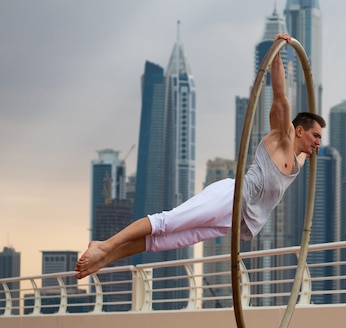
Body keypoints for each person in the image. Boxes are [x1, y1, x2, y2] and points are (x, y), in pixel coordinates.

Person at [75, 33, 325, 279]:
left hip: (234, 221)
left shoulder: (298, 162)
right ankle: (105, 246)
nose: (318, 142)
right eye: (315, 136)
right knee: (166, 222)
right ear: (299, 130)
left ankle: (106, 257)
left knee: (164, 242)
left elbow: (304, 154)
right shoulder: (283, 137)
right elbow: (280, 96)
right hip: (231, 197)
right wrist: (278, 53)